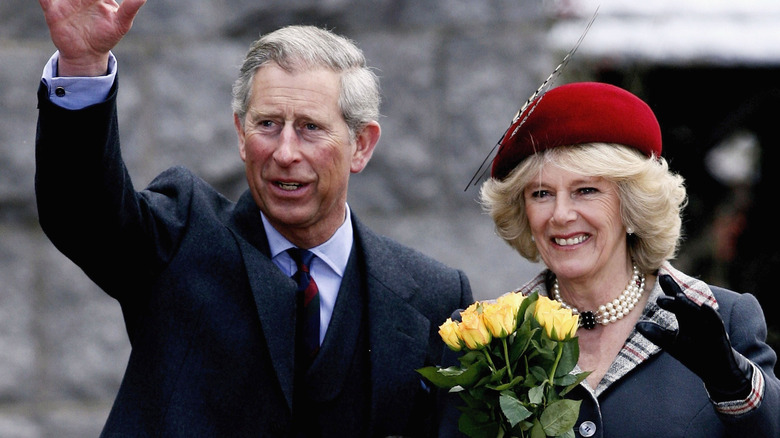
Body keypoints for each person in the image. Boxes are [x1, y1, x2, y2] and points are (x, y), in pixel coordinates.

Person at [34, 1, 473, 436]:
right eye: (267, 124)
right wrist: (83, 63)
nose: (284, 153)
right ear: (241, 134)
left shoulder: (434, 298)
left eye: (310, 128)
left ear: (361, 145)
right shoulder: (182, 234)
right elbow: (83, 214)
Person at [469, 81, 779, 437]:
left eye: (586, 190)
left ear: (631, 206)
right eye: (541, 193)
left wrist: (733, 384)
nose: (561, 214)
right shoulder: (488, 337)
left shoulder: (723, 319)